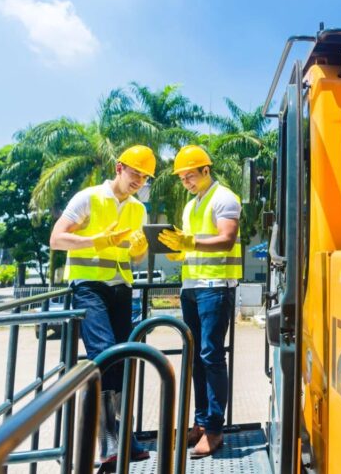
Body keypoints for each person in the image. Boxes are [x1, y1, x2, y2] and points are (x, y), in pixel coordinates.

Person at [50, 145, 156, 468]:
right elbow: (56, 239)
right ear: (119, 167)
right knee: (106, 354)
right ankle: (109, 441)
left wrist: (139, 251)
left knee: (121, 360)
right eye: (134, 172)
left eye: (145, 175)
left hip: (121, 288)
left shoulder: (139, 210)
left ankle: (124, 438)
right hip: (88, 288)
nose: (139, 179)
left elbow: (134, 255)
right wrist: (97, 241)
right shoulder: (89, 198)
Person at [159, 144, 242, 458]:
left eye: (190, 176)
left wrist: (189, 241)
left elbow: (226, 239)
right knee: (195, 357)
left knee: (211, 356)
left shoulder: (225, 198)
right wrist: (178, 249)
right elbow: (191, 245)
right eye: (182, 178)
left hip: (215, 287)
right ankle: (201, 422)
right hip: (191, 288)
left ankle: (215, 429)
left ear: (206, 170)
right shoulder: (191, 205)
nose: (186, 182)